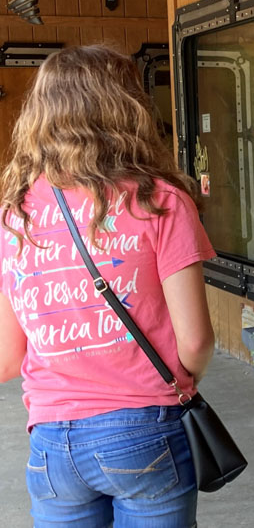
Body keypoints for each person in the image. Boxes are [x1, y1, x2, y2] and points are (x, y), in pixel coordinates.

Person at [0, 45, 216, 526]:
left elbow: (7, 358)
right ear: (127, 106)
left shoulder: (15, 215)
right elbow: (197, 340)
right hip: (145, 427)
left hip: (52, 439)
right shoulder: (159, 201)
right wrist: (183, 379)